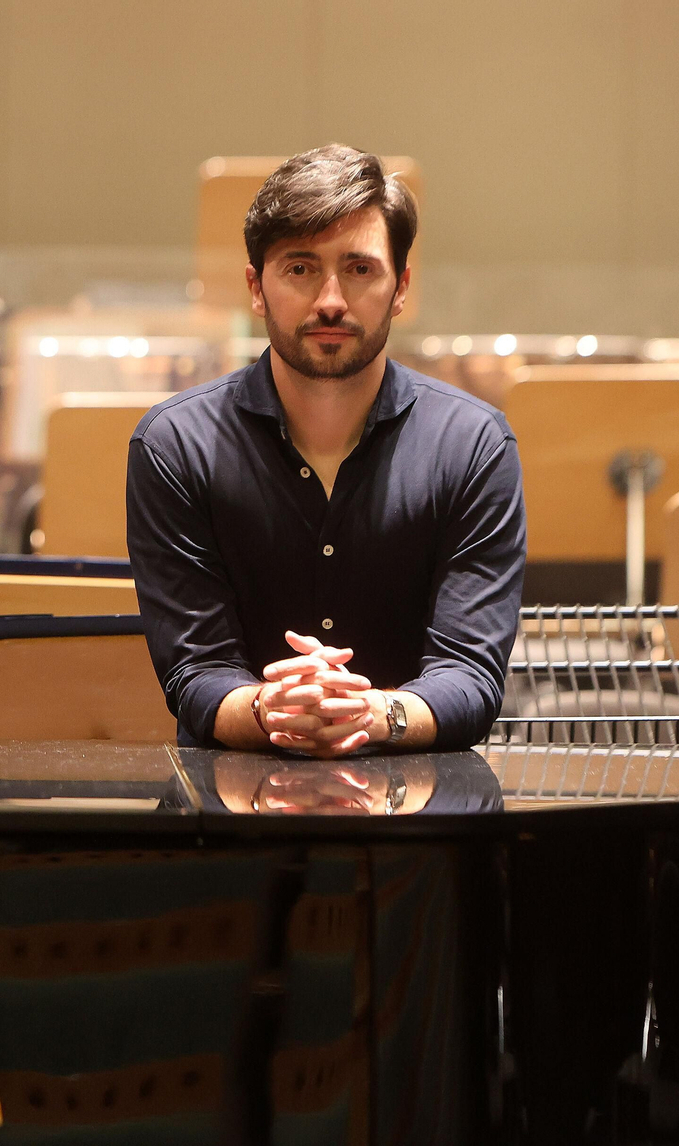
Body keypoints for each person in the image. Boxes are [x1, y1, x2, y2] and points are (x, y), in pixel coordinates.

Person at [127, 144, 525, 756]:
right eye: (300, 269)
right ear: (257, 288)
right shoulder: (174, 445)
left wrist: (370, 713)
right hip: (230, 823)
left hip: (417, 821)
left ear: (401, 288)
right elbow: (196, 672)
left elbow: (470, 674)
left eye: (360, 269)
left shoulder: (474, 445)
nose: (331, 300)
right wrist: (272, 710)